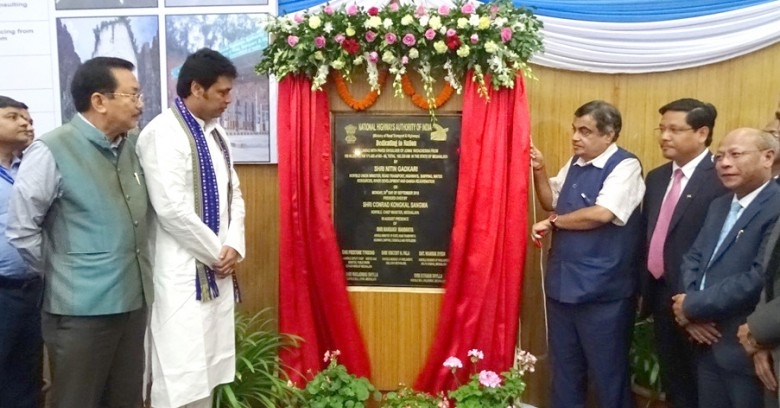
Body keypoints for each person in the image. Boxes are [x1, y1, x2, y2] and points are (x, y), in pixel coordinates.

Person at [6, 57, 153, 408]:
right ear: (99, 101)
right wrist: (61, 272)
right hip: (79, 312)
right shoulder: (52, 149)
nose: (139, 103)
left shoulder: (131, 146)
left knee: (126, 398)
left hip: (132, 302)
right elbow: (22, 228)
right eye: (131, 95)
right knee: (77, 400)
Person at [137, 48, 246, 408]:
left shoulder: (216, 134)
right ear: (197, 88)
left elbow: (235, 194)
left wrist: (234, 245)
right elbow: (171, 209)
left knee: (208, 370)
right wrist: (217, 253)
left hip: (217, 268)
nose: (228, 99)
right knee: (179, 372)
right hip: (181, 273)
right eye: (222, 92)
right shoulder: (162, 133)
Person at [531, 100, 645, 408]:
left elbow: (602, 213)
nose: (575, 137)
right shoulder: (576, 163)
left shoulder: (626, 166)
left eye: (585, 131)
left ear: (609, 136)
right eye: (574, 130)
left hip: (603, 293)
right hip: (563, 287)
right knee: (564, 372)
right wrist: (540, 169)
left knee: (608, 375)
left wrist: (554, 222)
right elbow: (551, 201)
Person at [672, 128, 780, 408]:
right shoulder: (719, 205)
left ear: (768, 157)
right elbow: (693, 258)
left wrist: (692, 306)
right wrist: (691, 313)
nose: (724, 163)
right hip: (706, 342)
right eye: (720, 156)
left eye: (735, 154)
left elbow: (758, 278)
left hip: (746, 346)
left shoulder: (776, 207)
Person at [640, 98, 728, 408]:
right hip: (661, 297)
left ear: (702, 133)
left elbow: (722, 251)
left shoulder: (722, 179)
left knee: (701, 391)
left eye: (675, 130)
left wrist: (695, 306)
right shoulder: (657, 177)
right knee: (674, 385)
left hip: (701, 309)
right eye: (662, 129)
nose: (664, 136)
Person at [0, 95, 40, 408]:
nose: (25, 123)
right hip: (1, 289)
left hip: (32, 290)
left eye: (27, 118)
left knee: (27, 377)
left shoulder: (28, 168)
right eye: (14, 117)